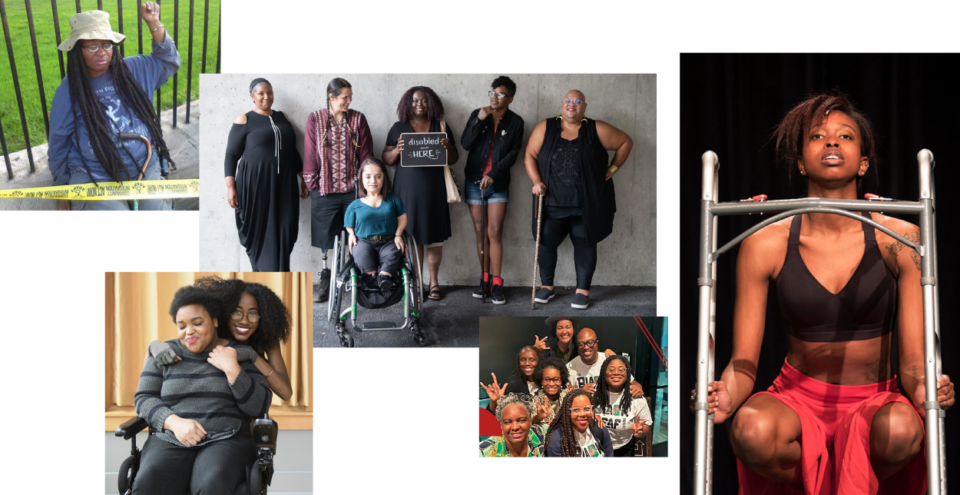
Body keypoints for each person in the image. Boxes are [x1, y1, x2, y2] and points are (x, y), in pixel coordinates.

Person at [692, 90, 954, 494]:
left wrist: (925, 386)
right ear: (800, 161)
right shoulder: (766, 242)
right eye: (817, 136)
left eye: (846, 136)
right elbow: (743, 363)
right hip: (797, 400)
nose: (832, 142)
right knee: (750, 429)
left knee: (903, 430)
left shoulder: (900, 238)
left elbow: (915, 360)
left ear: (864, 162)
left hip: (875, 401)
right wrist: (726, 393)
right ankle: (838, 478)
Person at [133, 286, 271, 494]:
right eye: (182, 326)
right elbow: (144, 397)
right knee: (148, 481)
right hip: (171, 437)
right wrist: (174, 423)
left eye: (197, 323)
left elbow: (259, 406)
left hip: (228, 437)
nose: (189, 331)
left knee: (210, 483)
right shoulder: (164, 353)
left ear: (215, 321)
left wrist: (232, 369)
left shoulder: (237, 353)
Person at [48, 5, 179, 212]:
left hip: (143, 165)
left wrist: (154, 23)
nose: (102, 53)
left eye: (107, 45)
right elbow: (58, 140)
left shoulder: (135, 69)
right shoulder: (70, 90)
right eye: (92, 47)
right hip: (94, 173)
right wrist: (61, 187)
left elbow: (169, 60)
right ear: (76, 50)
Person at [524, 90, 634, 309]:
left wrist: (613, 168)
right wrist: (536, 181)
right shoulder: (545, 127)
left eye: (577, 101)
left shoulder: (597, 129)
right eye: (567, 100)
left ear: (584, 107)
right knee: (544, 242)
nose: (571, 104)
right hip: (551, 203)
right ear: (561, 104)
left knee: (585, 243)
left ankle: (582, 291)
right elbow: (529, 155)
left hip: (586, 205)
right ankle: (547, 287)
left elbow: (625, 142)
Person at [147, 275, 293, 401]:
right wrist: (153, 347)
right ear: (225, 313)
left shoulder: (267, 339)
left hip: (249, 407)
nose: (244, 321)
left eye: (253, 314)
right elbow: (183, 345)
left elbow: (286, 393)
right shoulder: (215, 336)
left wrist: (252, 355)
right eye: (237, 312)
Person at [382, 87, 459, 301]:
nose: (419, 105)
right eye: (415, 101)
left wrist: (447, 148)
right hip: (407, 192)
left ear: (431, 103)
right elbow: (386, 158)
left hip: (434, 190)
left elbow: (454, 158)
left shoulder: (440, 126)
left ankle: (434, 283)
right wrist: (397, 149)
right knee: (412, 238)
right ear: (408, 103)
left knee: (434, 238)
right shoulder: (399, 128)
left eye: (424, 101)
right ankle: (416, 282)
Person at [302, 78, 374, 302]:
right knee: (326, 238)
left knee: (358, 234)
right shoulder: (315, 119)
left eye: (350, 97)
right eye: (345, 97)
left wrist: (367, 187)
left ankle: (356, 274)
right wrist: (312, 184)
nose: (349, 101)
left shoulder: (358, 119)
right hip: (325, 190)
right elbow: (311, 153)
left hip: (353, 191)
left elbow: (366, 155)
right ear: (331, 97)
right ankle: (326, 276)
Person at [224, 79, 307, 271]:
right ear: (252, 96)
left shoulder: (282, 117)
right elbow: (231, 155)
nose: (266, 97)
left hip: (285, 185)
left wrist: (303, 177)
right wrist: (230, 187)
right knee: (261, 232)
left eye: (269, 93)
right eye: (260, 93)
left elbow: (292, 151)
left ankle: (281, 275)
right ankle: (264, 277)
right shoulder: (244, 120)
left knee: (286, 228)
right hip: (255, 186)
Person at [460, 76, 525, 304]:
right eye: (492, 92)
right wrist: (478, 120)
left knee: (494, 232)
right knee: (480, 233)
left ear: (510, 98)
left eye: (500, 94)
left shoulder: (516, 122)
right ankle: (484, 279)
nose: (494, 97)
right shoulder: (479, 114)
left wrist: (493, 174)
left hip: (497, 185)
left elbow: (512, 154)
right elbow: (465, 144)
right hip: (473, 182)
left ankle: (497, 283)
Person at [344, 158, 408, 291]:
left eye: (378, 177)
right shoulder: (355, 205)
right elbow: (348, 223)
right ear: (361, 179)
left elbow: (402, 218)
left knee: (394, 252)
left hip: (389, 240)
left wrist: (398, 235)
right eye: (368, 177)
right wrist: (351, 234)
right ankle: (371, 277)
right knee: (361, 252)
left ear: (384, 178)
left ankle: (384, 278)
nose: (373, 181)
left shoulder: (393, 199)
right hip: (363, 241)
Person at [594, 355, 652, 458]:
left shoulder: (636, 398)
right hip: (596, 449)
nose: (616, 373)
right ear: (604, 372)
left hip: (623, 450)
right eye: (611, 369)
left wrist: (641, 430)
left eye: (621, 370)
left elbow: (646, 425)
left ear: (627, 373)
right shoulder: (594, 394)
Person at [567, 328, 644, 398]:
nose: (586, 347)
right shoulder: (570, 367)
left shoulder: (608, 359)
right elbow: (566, 395)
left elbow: (633, 382)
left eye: (590, 342)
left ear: (597, 343)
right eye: (581, 344)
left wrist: (638, 387)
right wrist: (580, 391)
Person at [545, 389, 613, 458]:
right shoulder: (557, 440)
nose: (582, 414)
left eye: (587, 408)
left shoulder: (600, 428)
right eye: (576, 409)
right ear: (568, 412)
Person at [478, 393, 548, 458]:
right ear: (500, 425)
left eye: (521, 420)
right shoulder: (483, 452)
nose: (515, 427)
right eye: (507, 422)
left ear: (530, 422)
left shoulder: (544, 433)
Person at [480, 346, 543, 413]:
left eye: (532, 360)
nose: (527, 363)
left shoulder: (544, 380)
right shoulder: (510, 384)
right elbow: (496, 414)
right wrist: (494, 402)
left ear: (539, 361)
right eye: (523, 360)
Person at [530, 357, 571, 426]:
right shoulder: (535, 400)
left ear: (561, 380)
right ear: (541, 380)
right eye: (547, 379)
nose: (551, 384)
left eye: (555, 379)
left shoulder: (570, 397)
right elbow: (529, 424)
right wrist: (538, 418)